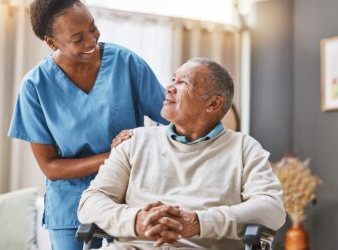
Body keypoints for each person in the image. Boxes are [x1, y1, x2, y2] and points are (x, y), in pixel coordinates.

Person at [78, 58, 286, 250]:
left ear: (213, 103)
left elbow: (272, 208)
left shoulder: (244, 148)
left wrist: (199, 222)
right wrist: (136, 220)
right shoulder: (135, 142)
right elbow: (90, 201)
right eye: (172, 80)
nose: (169, 88)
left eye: (183, 83)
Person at [8, 0, 168, 249]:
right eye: (78, 38)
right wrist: (115, 155)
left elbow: (175, 118)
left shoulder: (126, 63)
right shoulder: (35, 87)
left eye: (93, 29)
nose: (91, 42)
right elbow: (50, 167)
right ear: (52, 42)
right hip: (71, 206)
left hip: (129, 201)